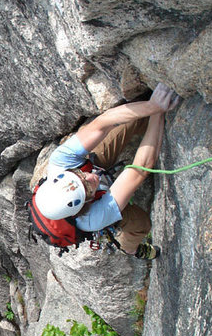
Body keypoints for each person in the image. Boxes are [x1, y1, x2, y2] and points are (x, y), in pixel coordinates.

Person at [30, 82, 180, 259]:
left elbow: (103, 122)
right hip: (99, 208)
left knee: (128, 122)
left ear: (66, 173)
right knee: (141, 224)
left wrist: (152, 106)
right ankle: (129, 248)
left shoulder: (60, 162)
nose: (90, 178)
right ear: (83, 205)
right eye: (87, 188)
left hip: (91, 171)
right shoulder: (92, 218)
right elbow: (141, 168)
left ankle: (146, 118)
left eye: (80, 176)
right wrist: (159, 113)